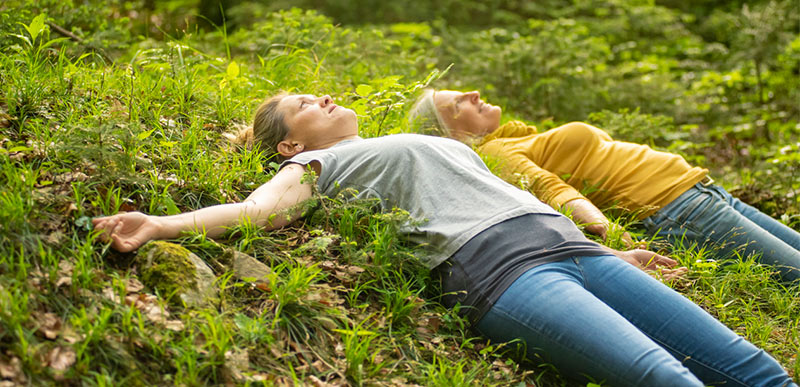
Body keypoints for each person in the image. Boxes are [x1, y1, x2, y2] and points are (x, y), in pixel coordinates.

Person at [93, 93, 796, 386]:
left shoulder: (437, 145)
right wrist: (159, 224)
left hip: (579, 254)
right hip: (509, 278)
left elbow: (514, 197)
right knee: (668, 380)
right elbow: (259, 212)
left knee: (759, 370)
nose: (327, 98)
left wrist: (617, 252)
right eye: (307, 103)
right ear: (290, 143)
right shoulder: (321, 163)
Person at [409, 89, 800, 282]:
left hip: (698, 191)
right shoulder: (498, 154)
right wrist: (612, 236)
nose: (473, 93)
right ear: (450, 132)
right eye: (458, 102)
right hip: (676, 208)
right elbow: (554, 190)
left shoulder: (513, 140)